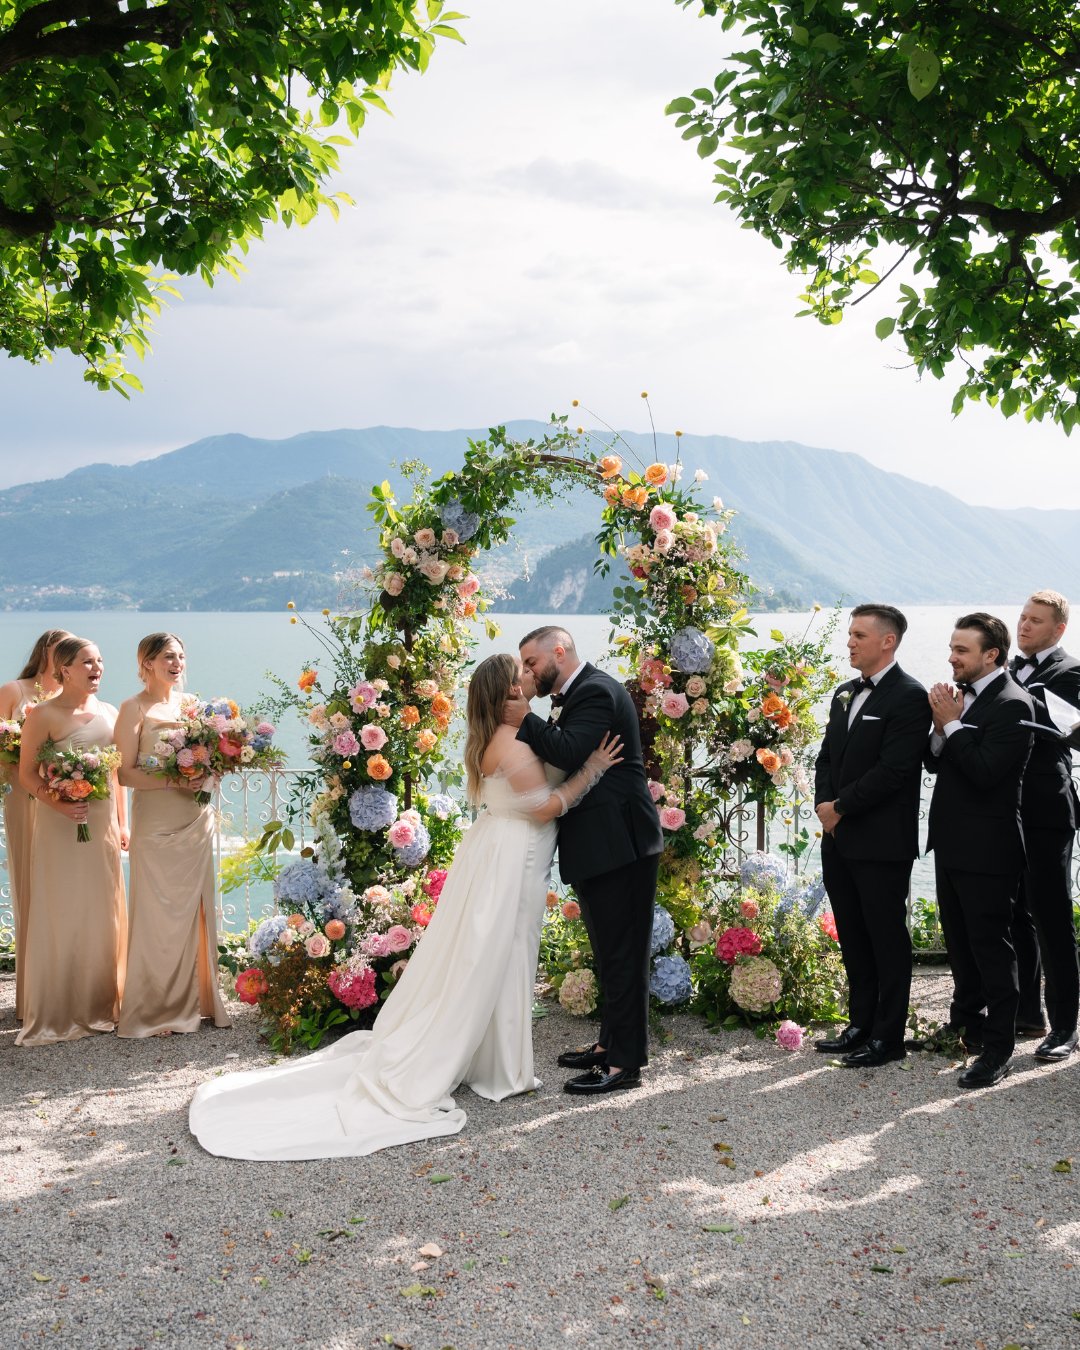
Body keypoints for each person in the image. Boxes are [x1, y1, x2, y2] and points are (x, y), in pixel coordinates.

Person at [189, 653, 622, 1159]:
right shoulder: (509, 740)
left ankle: (496, 1060)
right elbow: (545, 805)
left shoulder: (502, 734)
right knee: (504, 953)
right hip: (514, 854)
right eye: (521, 675)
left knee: (496, 953)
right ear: (506, 693)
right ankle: (501, 1068)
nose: (530, 677)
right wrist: (591, 769)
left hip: (502, 848)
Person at [505, 625, 665, 1095]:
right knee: (609, 951)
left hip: (621, 845)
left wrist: (523, 720)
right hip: (602, 845)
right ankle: (607, 1044)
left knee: (623, 954)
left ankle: (624, 1064)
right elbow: (572, 755)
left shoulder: (596, 690)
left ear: (560, 651)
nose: (529, 673)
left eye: (532, 663)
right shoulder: (579, 696)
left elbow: (572, 753)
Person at [813, 604, 929, 1067]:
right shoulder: (844, 693)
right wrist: (825, 807)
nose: (849, 642)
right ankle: (859, 1023)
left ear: (888, 641)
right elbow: (825, 757)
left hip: (881, 841)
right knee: (853, 935)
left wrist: (840, 807)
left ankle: (888, 1035)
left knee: (886, 937)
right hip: (838, 837)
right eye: (849, 634)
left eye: (859, 635)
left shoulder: (909, 696)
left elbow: (895, 771)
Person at [925, 613, 1033, 1089]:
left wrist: (952, 724)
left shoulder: (1015, 704)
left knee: (992, 948)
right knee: (960, 944)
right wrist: (940, 726)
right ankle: (964, 1024)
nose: (952, 657)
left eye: (962, 651)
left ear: (991, 655)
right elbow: (935, 759)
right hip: (950, 843)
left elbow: (986, 771)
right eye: (952, 648)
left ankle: (998, 1048)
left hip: (990, 849)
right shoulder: (959, 699)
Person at [114, 633, 231, 1038]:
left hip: (194, 817)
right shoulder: (133, 708)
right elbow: (124, 772)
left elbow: (212, 755)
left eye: (181, 655)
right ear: (146, 662)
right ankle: (153, 1008)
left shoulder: (194, 706)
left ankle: (197, 1002)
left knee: (192, 912)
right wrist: (171, 783)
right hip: (157, 822)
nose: (176, 662)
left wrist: (209, 770)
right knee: (156, 912)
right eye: (167, 656)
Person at [15, 638, 128, 1047]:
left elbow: (115, 775)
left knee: (101, 910)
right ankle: (58, 1009)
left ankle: (100, 1004)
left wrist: (123, 822)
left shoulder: (111, 713)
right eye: (87, 662)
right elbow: (28, 775)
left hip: (100, 827)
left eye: (100, 661)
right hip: (57, 825)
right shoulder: (42, 715)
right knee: (60, 908)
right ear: (64, 670)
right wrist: (58, 804)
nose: (96, 668)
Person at [1007, 591, 1080, 1062]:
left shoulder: (1071, 672)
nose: (1025, 626)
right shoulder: (1007, 671)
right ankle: (1026, 1014)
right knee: (1014, 915)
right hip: (1004, 808)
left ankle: (1065, 1027)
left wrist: (1062, 725)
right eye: (1022, 618)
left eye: (1036, 621)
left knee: (1052, 918)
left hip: (1049, 809)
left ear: (1059, 630)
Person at [0, 628, 73, 1021]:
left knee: (62, 884)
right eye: (57, 647)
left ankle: (64, 981)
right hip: (22, 797)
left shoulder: (75, 696)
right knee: (29, 883)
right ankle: (31, 994)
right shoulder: (15, 690)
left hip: (61, 798)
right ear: (44, 651)